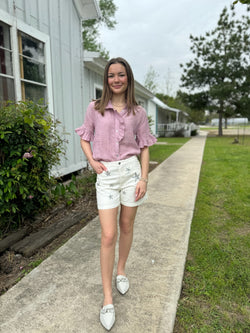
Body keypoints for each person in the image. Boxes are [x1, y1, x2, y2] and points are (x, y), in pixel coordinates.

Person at [75, 57, 156, 331]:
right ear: (106, 79)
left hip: (132, 173)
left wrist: (144, 177)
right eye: (111, 75)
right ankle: (107, 298)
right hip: (106, 175)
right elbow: (85, 137)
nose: (116, 79)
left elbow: (144, 146)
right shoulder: (94, 108)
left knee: (126, 225)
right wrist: (91, 161)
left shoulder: (139, 113)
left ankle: (121, 270)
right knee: (109, 234)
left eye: (121, 75)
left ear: (128, 78)